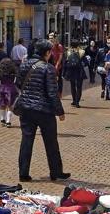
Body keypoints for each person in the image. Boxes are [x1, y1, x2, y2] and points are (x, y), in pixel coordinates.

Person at [15, 40, 70, 182]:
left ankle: (23, 173)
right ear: (47, 52)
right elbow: (52, 93)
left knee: (26, 140)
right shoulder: (48, 68)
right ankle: (56, 172)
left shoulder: (24, 64)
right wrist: (60, 111)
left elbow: (18, 83)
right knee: (51, 142)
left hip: (26, 108)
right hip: (44, 110)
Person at [0, 57, 19, 127]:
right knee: (10, 106)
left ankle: (2, 119)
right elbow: (14, 82)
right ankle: (8, 121)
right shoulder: (14, 74)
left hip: (2, 89)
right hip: (11, 90)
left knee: (3, 105)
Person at [63, 42, 87, 108]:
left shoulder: (68, 53)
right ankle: (77, 102)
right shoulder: (82, 52)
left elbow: (65, 63)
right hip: (79, 71)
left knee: (72, 86)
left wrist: (64, 73)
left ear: (71, 46)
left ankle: (74, 100)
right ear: (78, 46)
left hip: (71, 71)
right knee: (79, 87)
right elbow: (86, 62)